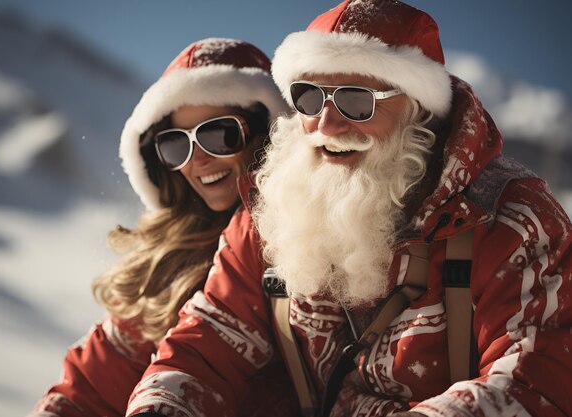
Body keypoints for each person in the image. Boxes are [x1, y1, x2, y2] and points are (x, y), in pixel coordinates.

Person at [125, 2, 572, 417]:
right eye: (309, 98)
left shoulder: (513, 222)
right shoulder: (272, 211)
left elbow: (532, 383)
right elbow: (207, 344)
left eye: (356, 101)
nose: (327, 125)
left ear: (419, 111)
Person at [28, 37, 297, 417]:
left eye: (218, 134)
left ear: (267, 132)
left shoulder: (310, 242)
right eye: (175, 145)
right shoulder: (169, 262)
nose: (198, 159)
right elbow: (88, 391)